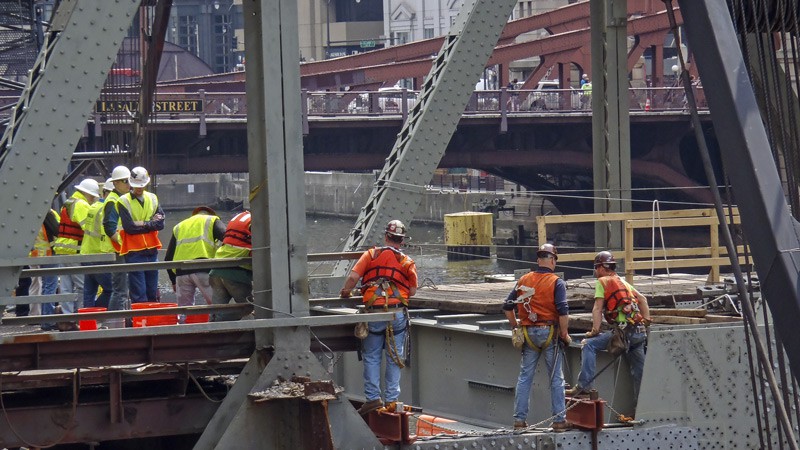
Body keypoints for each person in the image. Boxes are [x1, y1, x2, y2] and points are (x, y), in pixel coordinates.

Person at [339, 219, 418, 415]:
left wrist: (346, 292)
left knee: (372, 357)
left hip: (373, 314)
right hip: (397, 315)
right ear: (401, 240)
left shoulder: (370, 255)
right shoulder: (406, 262)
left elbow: (352, 278)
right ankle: (391, 401)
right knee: (394, 358)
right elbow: (413, 291)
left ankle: (373, 399)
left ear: (386, 236)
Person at [567, 251, 652, 411]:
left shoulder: (602, 282)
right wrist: (646, 321)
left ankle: (584, 386)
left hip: (623, 333)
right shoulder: (623, 282)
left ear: (600, 267)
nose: (595, 271)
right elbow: (643, 299)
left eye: (596, 267)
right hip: (638, 333)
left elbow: (597, 308)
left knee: (589, 345)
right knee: (639, 373)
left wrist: (595, 330)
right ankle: (642, 409)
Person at [503, 243, 571, 431]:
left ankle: (519, 420)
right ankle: (559, 420)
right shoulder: (556, 282)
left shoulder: (524, 279)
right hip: (550, 332)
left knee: (525, 377)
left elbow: (507, 306)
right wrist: (564, 334)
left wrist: (515, 326)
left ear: (538, 259)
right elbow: (563, 311)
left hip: (528, 333)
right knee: (556, 378)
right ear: (552, 259)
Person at [164, 206, 225, 322]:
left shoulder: (179, 226)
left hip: (181, 272)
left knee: (184, 311)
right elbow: (228, 237)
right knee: (216, 306)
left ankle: (184, 335)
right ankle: (217, 333)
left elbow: (168, 258)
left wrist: (173, 281)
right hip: (203, 269)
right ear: (210, 214)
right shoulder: (212, 220)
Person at [52, 178, 100, 321]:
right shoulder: (82, 205)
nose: (92, 200)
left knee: (66, 287)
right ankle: (82, 317)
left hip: (63, 249)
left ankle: (68, 318)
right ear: (87, 194)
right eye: (92, 197)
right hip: (75, 250)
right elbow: (89, 229)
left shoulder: (68, 202)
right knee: (83, 286)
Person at [117, 166, 165, 304]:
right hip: (134, 252)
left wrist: (142, 224)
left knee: (152, 291)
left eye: (142, 185)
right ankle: (142, 321)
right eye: (137, 185)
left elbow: (161, 224)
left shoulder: (152, 198)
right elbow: (129, 228)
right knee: (139, 293)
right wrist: (150, 224)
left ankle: (152, 320)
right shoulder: (123, 201)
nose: (139, 188)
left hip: (151, 250)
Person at [209, 210, 252, 322]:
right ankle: (220, 323)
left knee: (216, 310)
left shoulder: (242, 217)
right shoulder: (258, 222)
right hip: (236, 272)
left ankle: (211, 332)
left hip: (216, 269)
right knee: (249, 307)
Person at [79, 179, 115, 309]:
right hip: (99, 256)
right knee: (111, 290)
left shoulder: (93, 207)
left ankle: (88, 320)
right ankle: (99, 312)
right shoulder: (106, 209)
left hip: (86, 254)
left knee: (89, 291)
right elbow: (107, 233)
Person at [103, 165, 131, 323]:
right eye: (125, 181)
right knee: (120, 290)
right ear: (115, 183)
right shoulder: (113, 201)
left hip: (121, 250)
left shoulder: (120, 199)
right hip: (119, 251)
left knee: (121, 289)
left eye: (129, 181)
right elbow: (109, 227)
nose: (128, 184)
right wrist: (124, 245)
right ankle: (114, 323)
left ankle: (116, 321)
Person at [27, 209, 60, 327]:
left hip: (34, 254)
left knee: (37, 285)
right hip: (47, 254)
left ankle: (37, 317)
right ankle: (47, 321)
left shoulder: (28, 213)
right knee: (49, 286)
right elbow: (57, 230)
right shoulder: (46, 212)